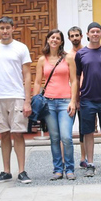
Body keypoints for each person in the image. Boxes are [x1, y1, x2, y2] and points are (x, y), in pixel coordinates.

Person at [0, 16, 33, 184]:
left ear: (13, 28)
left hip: (16, 95)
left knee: (18, 134)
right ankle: (6, 170)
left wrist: (27, 100)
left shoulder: (21, 48)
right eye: (2, 28)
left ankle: (21, 170)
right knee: (4, 134)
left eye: (7, 27)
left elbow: (27, 75)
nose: (5, 31)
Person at [74, 22, 101, 177]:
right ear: (87, 34)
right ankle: (90, 164)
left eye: (97, 31)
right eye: (92, 31)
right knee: (88, 132)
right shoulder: (81, 54)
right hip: (87, 99)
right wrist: (77, 97)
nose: (94, 34)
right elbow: (77, 76)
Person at [33, 29, 78, 180]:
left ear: (61, 41)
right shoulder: (42, 60)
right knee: (54, 137)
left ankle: (70, 168)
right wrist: (35, 100)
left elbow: (74, 80)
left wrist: (73, 100)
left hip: (65, 101)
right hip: (49, 103)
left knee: (66, 137)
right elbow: (38, 82)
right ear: (47, 40)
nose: (54, 40)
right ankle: (58, 169)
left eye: (57, 38)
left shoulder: (68, 58)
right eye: (52, 37)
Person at [68, 26, 89, 168]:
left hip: (86, 94)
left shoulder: (87, 52)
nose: (75, 38)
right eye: (72, 36)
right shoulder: (67, 55)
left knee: (84, 128)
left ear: (81, 36)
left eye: (77, 35)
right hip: (68, 95)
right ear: (69, 38)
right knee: (66, 129)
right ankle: (66, 159)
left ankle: (84, 157)